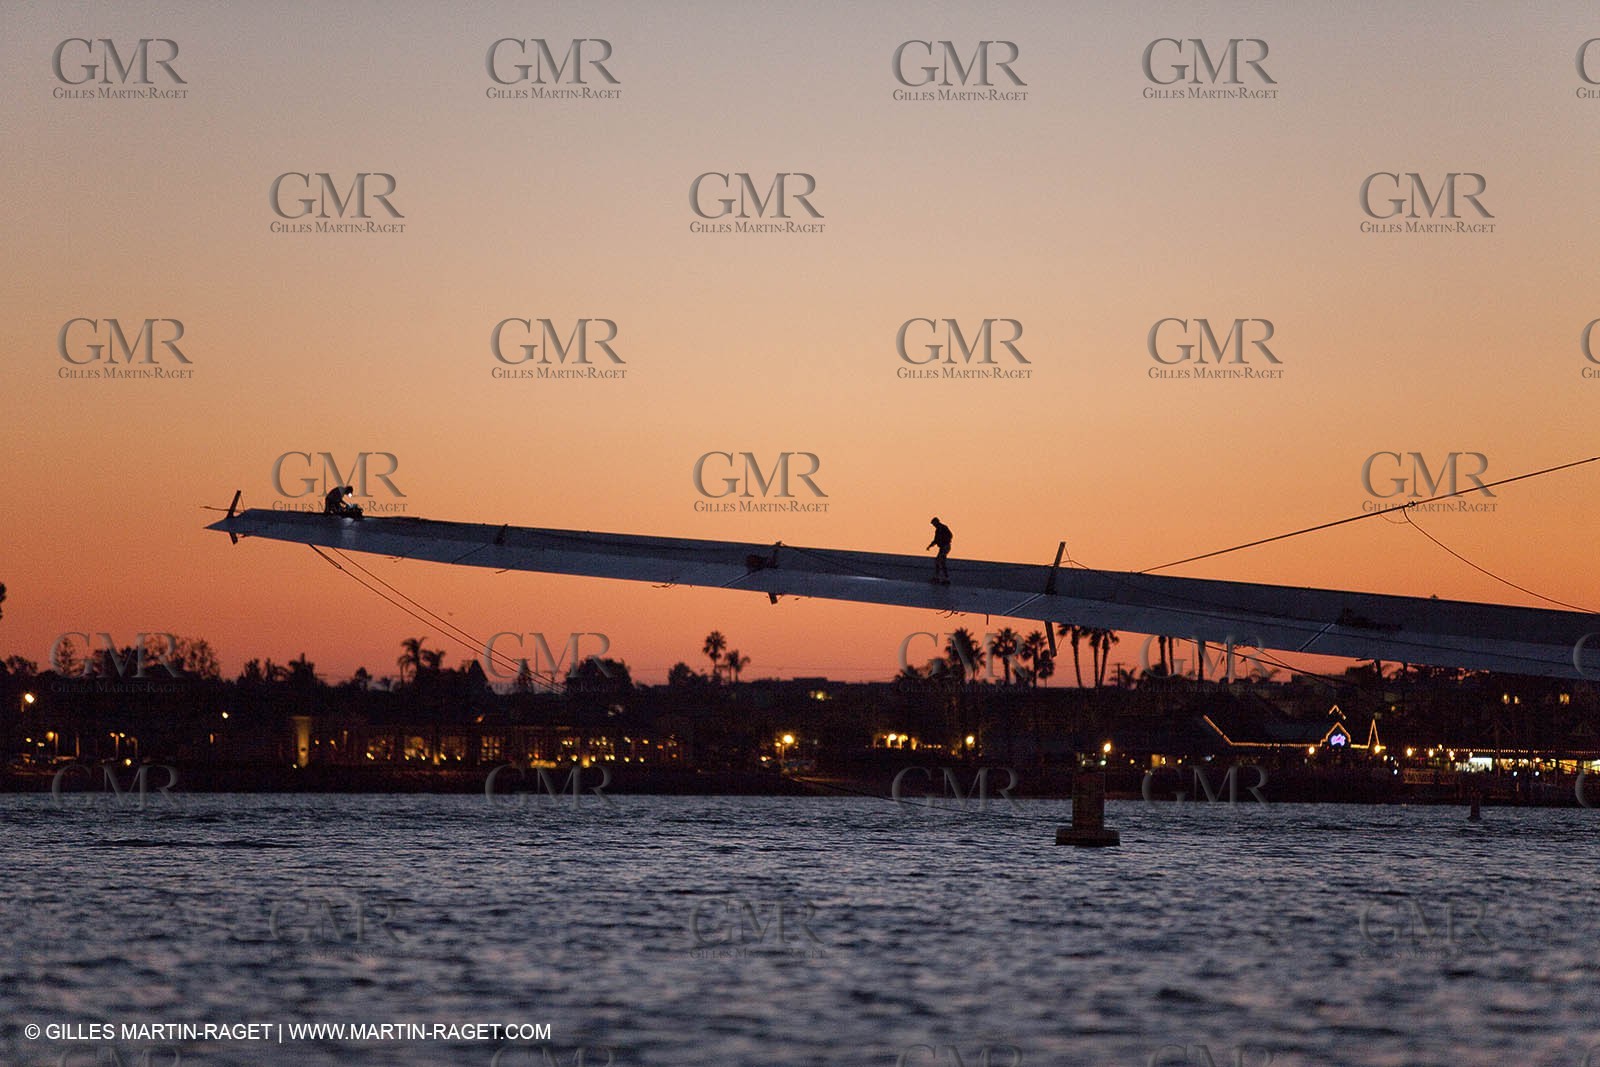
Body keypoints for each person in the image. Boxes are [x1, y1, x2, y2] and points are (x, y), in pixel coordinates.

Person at [927, 517, 952, 583]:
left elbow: (950, 536)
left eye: (933, 523)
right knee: (939, 562)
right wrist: (930, 545)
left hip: (945, 547)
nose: (933, 525)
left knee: (940, 561)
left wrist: (945, 542)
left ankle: (942, 578)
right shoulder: (939, 529)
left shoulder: (942, 528)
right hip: (943, 547)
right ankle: (941, 578)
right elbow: (936, 540)